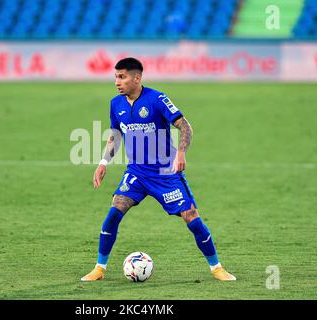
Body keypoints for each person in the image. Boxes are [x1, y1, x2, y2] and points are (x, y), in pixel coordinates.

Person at [81, 57, 236, 282]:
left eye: (122, 77)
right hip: (136, 172)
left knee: (191, 218)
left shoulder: (157, 99)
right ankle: (99, 268)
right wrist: (104, 162)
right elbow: (115, 135)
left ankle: (217, 268)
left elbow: (185, 126)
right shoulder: (116, 104)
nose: (117, 82)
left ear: (137, 77)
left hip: (165, 173)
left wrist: (181, 153)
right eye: (116, 76)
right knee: (114, 213)